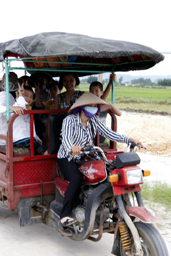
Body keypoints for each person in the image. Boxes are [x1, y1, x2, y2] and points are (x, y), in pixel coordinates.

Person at [57, 92, 142, 227]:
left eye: (95, 105)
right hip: (68, 157)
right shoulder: (69, 120)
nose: (93, 108)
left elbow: (109, 133)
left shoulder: (94, 120)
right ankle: (65, 215)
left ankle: (114, 207)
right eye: (90, 105)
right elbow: (66, 139)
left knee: (109, 171)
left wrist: (129, 139)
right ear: (82, 107)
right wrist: (72, 148)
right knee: (76, 178)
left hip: (87, 156)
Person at [0, 74, 47, 155]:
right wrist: (10, 108)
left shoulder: (11, 98)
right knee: (44, 151)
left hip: (7, 136)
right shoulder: (4, 95)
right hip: (5, 136)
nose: (28, 98)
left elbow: (21, 108)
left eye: (31, 96)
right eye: (26, 95)